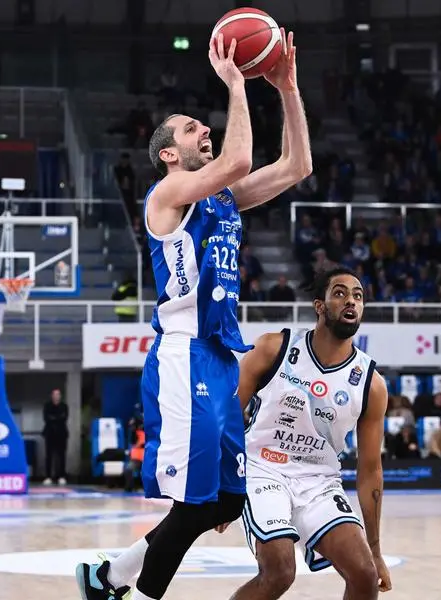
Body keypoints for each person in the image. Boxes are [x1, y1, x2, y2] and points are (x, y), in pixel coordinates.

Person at [76, 30, 312, 600]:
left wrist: (287, 87)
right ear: (167, 153)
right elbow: (239, 158)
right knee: (194, 504)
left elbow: (297, 165)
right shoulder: (167, 192)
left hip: (220, 357)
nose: (203, 129)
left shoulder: (222, 198)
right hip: (183, 354)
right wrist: (235, 82)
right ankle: (120, 586)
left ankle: (107, 577)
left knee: (229, 500)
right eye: (190, 128)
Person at [230, 266, 391, 599]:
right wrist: (221, 485)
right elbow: (227, 417)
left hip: (319, 480)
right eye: (340, 293)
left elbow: (371, 470)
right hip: (264, 469)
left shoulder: (370, 384)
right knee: (279, 571)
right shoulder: (274, 347)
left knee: (364, 573)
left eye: (358, 296)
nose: (351, 301)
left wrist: (375, 549)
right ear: (320, 306)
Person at [43, 389, 69, 486]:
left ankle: (61, 476)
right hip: (49, 433)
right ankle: (48, 476)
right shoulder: (47, 406)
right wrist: (56, 418)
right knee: (49, 455)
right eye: (54, 394)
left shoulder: (64, 406)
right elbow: (46, 418)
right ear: (51, 396)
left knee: (61, 456)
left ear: (60, 396)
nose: (56, 396)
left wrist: (55, 418)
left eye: (58, 394)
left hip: (62, 433)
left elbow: (64, 417)